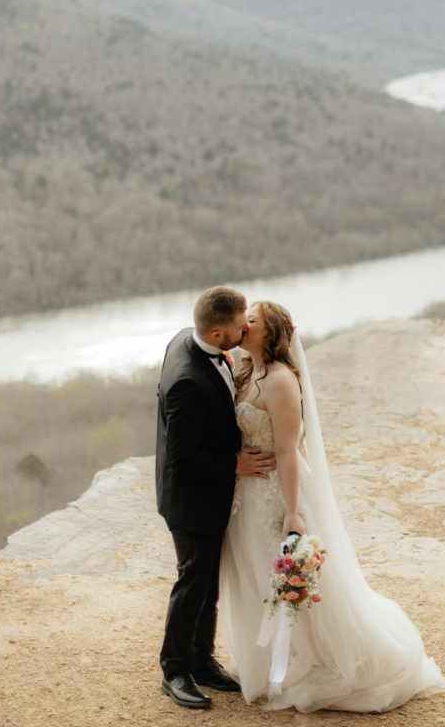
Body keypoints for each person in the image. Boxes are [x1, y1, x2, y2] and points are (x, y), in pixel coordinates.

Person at [219, 301, 445, 713]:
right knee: (257, 576)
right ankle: (279, 659)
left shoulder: (282, 382)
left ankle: (326, 660)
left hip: (278, 492)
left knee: (300, 585)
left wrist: (292, 513)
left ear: (269, 333)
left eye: (250, 320)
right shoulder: (246, 371)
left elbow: (288, 451)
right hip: (248, 495)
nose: (242, 324)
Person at [155, 286, 277, 710]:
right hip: (191, 500)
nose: (246, 330)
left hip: (210, 495)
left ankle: (201, 659)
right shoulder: (189, 380)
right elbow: (182, 456)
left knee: (209, 583)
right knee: (193, 582)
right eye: (241, 327)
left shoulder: (189, 336)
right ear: (219, 335)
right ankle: (174, 670)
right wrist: (234, 464)